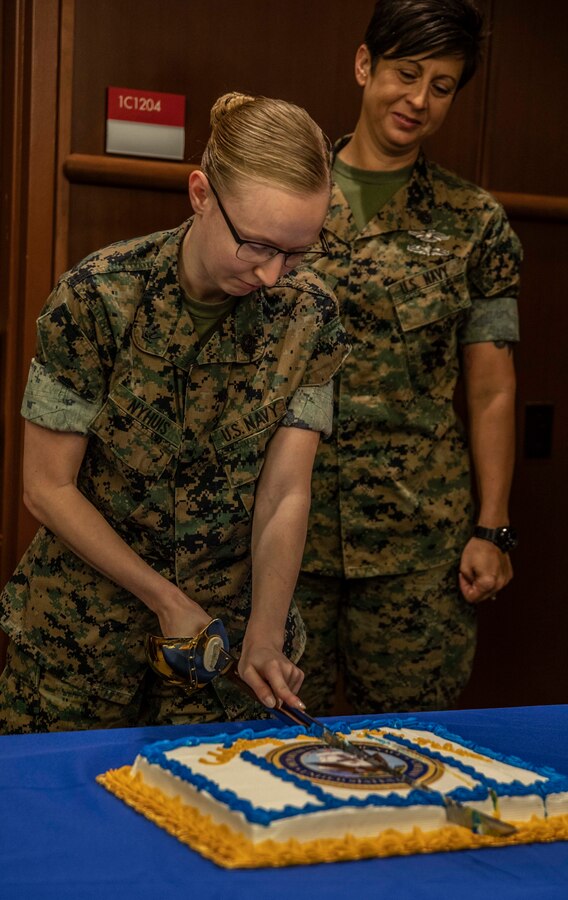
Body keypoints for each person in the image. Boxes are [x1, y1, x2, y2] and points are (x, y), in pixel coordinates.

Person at [0, 92, 350, 733]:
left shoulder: (311, 316)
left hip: (224, 654)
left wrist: (266, 633)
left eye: (298, 252)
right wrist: (165, 599)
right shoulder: (98, 297)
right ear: (200, 195)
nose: (274, 275)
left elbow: (284, 492)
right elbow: (46, 488)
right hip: (82, 641)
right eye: (257, 246)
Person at [296, 0, 522, 715]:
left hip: (417, 547)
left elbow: (492, 390)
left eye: (442, 86)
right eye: (407, 73)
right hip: (281, 533)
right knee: (265, 742)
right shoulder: (286, 195)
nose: (420, 99)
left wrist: (492, 527)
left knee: (408, 749)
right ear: (366, 65)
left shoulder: (475, 223)